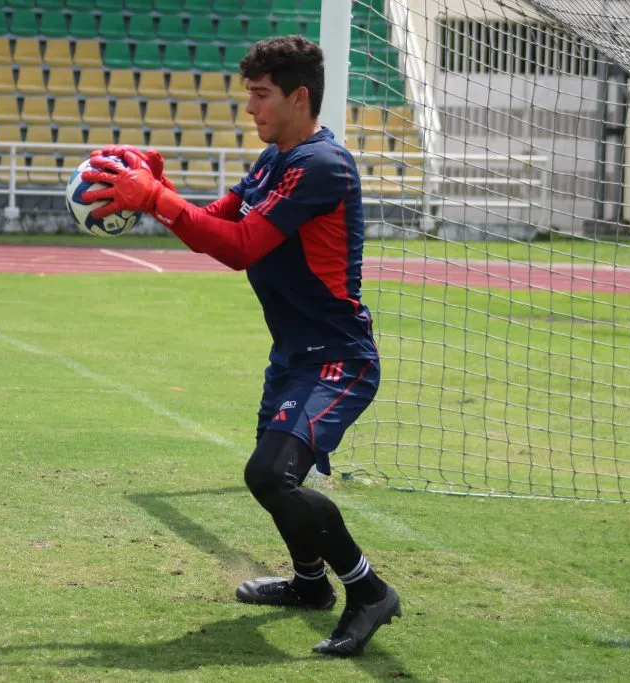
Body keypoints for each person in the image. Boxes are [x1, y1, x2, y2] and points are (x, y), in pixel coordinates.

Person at [80, 35, 400, 657]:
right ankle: (310, 584)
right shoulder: (272, 162)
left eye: (261, 95)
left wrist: (157, 200)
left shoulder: (322, 165)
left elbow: (242, 247)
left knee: (270, 476)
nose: (250, 108)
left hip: (338, 360)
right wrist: (158, 191)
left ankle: (369, 592)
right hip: (294, 356)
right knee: (271, 480)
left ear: (298, 96)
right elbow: (218, 227)